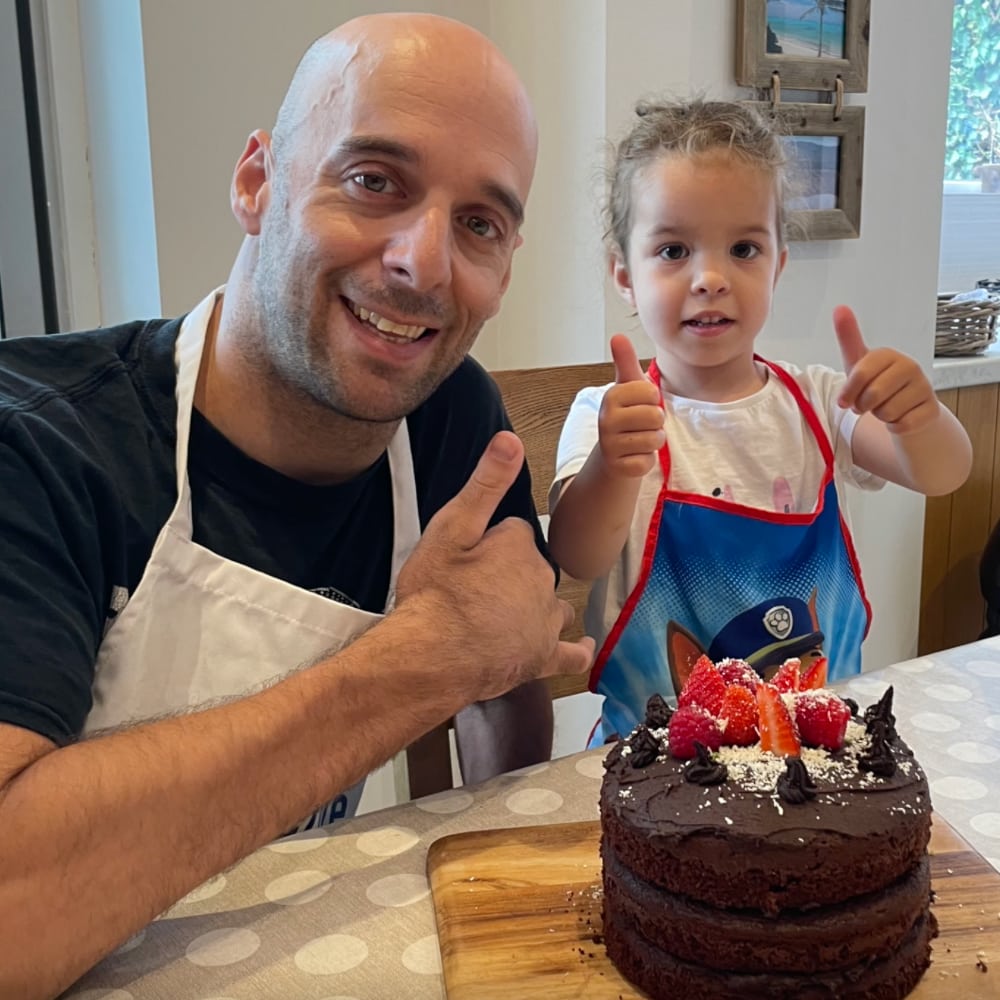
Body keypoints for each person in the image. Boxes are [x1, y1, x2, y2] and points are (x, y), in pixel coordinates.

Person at [0, 14, 594, 999]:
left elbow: (500, 680)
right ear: (256, 180)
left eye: (479, 223)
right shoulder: (42, 446)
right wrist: (419, 666)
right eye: (374, 181)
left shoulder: (452, 425)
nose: (424, 261)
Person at [546, 98, 971, 747]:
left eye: (743, 247)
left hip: (808, 752)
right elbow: (578, 555)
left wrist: (921, 417)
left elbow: (943, 472)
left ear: (778, 264)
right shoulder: (609, 417)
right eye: (673, 249)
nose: (710, 277)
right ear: (624, 276)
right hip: (654, 762)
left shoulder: (825, 404)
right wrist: (612, 465)